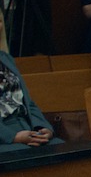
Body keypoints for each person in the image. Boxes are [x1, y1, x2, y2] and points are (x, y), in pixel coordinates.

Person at [0, 17, 62, 152]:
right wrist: (13, 137)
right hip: (5, 138)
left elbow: (28, 103)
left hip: (27, 129)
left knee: (65, 150)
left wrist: (43, 128)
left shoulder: (6, 59)